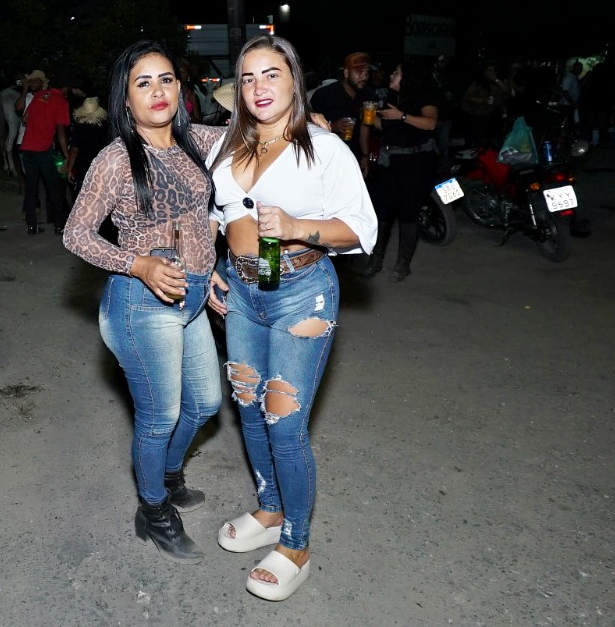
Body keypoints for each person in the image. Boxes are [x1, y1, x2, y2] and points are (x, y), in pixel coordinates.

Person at [205, 34, 376, 601]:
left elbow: (361, 230)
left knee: (283, 421)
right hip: (242, 292)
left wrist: (300, 227)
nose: (259, 87)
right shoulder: (226, 144)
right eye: (248, 77)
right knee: (249, 409)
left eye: (271, 74)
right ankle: (271, 510)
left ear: (294, 81)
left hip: (301, 293)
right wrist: (210, 266)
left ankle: (297, 545)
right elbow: (217, 213)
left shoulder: (324, 149)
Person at [62, 40, 225, 563]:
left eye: (166, 80)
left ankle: (168, 475)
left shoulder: (198, 140)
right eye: (143, 83)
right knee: (160, 415)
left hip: (192, 295)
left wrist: (310, 122)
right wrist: (138, 264)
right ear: (125, 98)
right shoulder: (115, 159)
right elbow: (75, 234)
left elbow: (257, 138)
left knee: (206, 403)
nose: (158, 91)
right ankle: (154, 511)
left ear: (181, 88)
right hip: (142, 303)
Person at [361, 60, 440, 281]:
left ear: (408, 78)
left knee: (408, 213)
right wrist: (370, 117)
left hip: (416, 162)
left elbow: (430, 123)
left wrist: (402, 116)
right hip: (389, 161)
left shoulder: (424, 96)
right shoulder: (390, 97)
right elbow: (385, 125)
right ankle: (375, 260)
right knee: (382, 212)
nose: (391, 75)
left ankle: (403, 263)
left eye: (396, 72)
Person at [15, 69, 69, 235]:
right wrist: (66, 154)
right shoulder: (61, 101)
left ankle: (32, 226)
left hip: (27, 148)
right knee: (52, 187)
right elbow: (61, 131)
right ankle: (59, 225)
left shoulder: (38, 96)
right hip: (43, 149)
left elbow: (24, 119)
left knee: (31, 188)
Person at [309, 52, 377, 166]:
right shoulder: (325, 94)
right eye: (359, 72)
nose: (365, 76)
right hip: (328, 157)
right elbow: (308, 127)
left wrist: (365, 156)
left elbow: (365, 127)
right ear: (346, 73)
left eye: (367, 72)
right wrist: (333, 126)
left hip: (354, 156)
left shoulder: (367, 94)